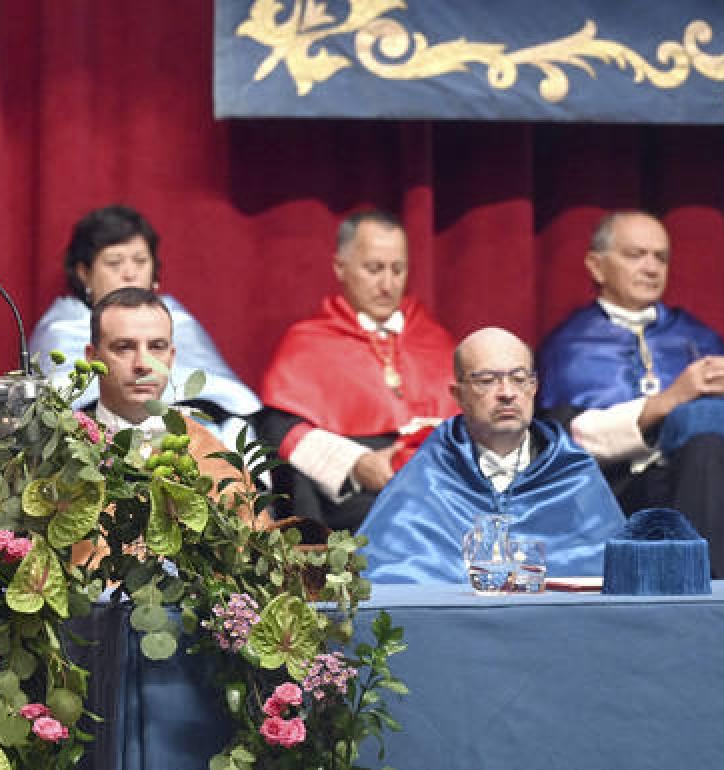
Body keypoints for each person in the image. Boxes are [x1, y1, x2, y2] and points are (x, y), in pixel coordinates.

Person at [537, 210, 724, 578]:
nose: (651, 268)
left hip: (716, 484)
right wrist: (667, 402)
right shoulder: (568, 346)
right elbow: (566, 442)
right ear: (596, 266)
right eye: (636, 255)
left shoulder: (698, 336)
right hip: (624, 495)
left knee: (711, 449)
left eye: (660, 257)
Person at [358, 328, 625, 584]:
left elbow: (617, 583)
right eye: (487, 381)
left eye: (519, 379)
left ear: (534, 388)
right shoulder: (427, 474)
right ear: (458, 395)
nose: (507, 393)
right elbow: (384, 578)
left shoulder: (572, 472)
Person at [259, 210, 459, 536]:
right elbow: (279, 429)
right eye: (374, 269)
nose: (387, 285)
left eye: (398, 270)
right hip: (351, 502)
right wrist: (356, 463)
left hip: (436, 493)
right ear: (340, 267)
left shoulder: (435, 339)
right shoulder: (308, 341)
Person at [30, 205, 261, 444]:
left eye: (140, 261)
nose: (130, 273)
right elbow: (56, 410)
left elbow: (226, 397)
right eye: (114, 263)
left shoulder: (179, 319)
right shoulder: (60, 330)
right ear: (84, 273)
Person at [71, 287, 252, 566]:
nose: (143, 364)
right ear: (93, 357)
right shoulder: (59, 450)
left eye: (157, 347)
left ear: (172, 357)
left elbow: (249, 560)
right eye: (124, 347)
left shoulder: (213, 459)